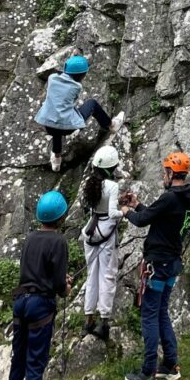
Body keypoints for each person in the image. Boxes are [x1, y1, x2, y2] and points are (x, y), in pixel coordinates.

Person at [120, 152, 190, 380]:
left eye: (165, 171)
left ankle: (148, 372)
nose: (163, 176)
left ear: (171, 173)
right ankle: (170, 366)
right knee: (161, 312)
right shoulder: (186, 198)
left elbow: (142, 221)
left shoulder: (169, 198)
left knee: (149, 315)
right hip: (172, 263)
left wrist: (127, 212)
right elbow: (157, 216)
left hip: (157, 263)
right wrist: (138, 205)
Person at [5, 190, 70, 380]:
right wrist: (65, 287)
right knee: (35, 366)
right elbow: (56, 283)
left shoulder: (30, 238)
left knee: (17, 365)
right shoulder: (59, 242)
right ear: (61, 217)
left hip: (21, 302)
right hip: (41, 305)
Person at [34, 55, 124, 173]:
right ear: (82, 75)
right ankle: (111, 125)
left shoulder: (52, 78)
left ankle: (56, 161)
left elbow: (62, 74)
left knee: (56, 125)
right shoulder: (76, 86)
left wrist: (72, 59)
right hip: (67, 128)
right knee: (92, 104)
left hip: (47, 124)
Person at [79, 145, 123, 341]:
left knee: (92, 276)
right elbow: (113, 213)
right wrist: (126, 211)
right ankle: (104, 320)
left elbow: (92, 207)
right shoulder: (112, 186)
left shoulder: (90, 183)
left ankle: (88, 319)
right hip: (106, 232)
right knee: (107, 275)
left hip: (90, 232)